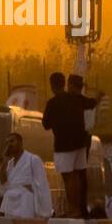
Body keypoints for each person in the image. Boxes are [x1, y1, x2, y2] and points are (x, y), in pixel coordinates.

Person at [41, 71, 91, 216]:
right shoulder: (76, 99)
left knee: (68, 177)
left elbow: (46, 124)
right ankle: (78, 208)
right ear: (64, 83)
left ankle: (73, 209)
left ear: (52, 85)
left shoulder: (53, 103)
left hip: (63, 145)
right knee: (77, 176)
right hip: (80, 143)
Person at [0, 132, 52, 219]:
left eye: (12, 141)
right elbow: (2, 183)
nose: (9, 145)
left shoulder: (33, 159)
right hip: (10, 204)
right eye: (7, 143)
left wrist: (32, 187)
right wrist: (5, 160)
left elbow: (42, 185)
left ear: (20, 143)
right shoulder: (9, 163)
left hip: (25, 202)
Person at [66, 74, 101, 217]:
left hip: (78, 137)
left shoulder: (79, 102)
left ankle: (77, 207)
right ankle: (79, 207)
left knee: (75, 174)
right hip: (82, 137)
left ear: (72, 86)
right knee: (78, 174)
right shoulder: (85, 102)